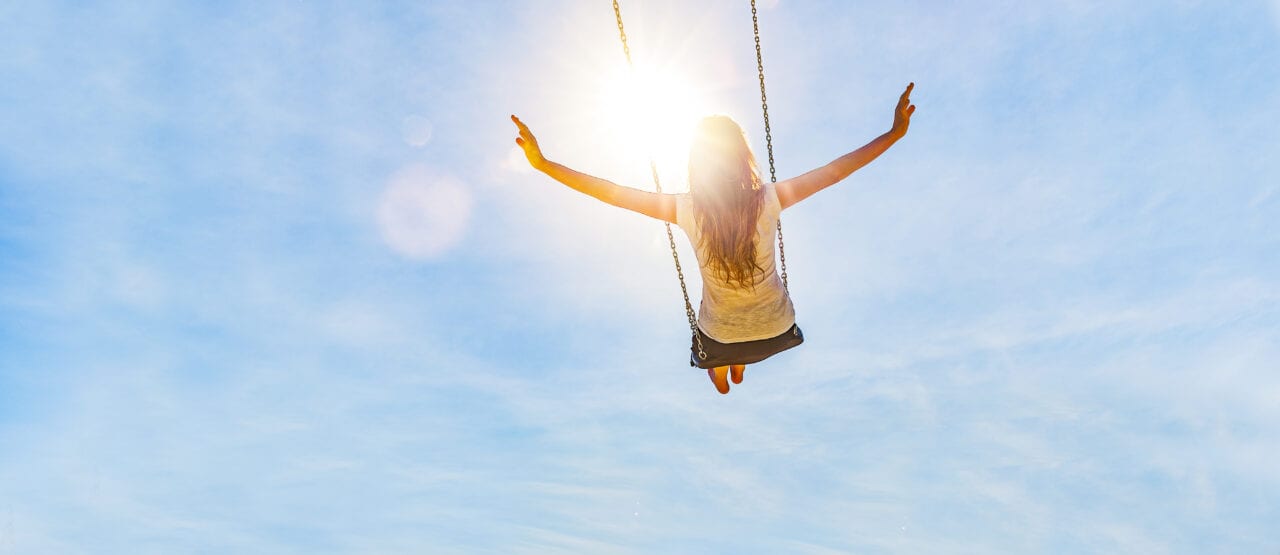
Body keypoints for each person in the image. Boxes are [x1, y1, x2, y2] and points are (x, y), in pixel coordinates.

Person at [510, 83, 916, 394]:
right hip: (778, 327)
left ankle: (729, 366)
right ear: (743, 158)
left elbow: (611, 192)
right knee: (741, 338)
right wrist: (894, 133)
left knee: (720, 372)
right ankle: (740, 362)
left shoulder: (686, 209)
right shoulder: (770, 199)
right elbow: (837, 170)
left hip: (719, 336)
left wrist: (544, 164)